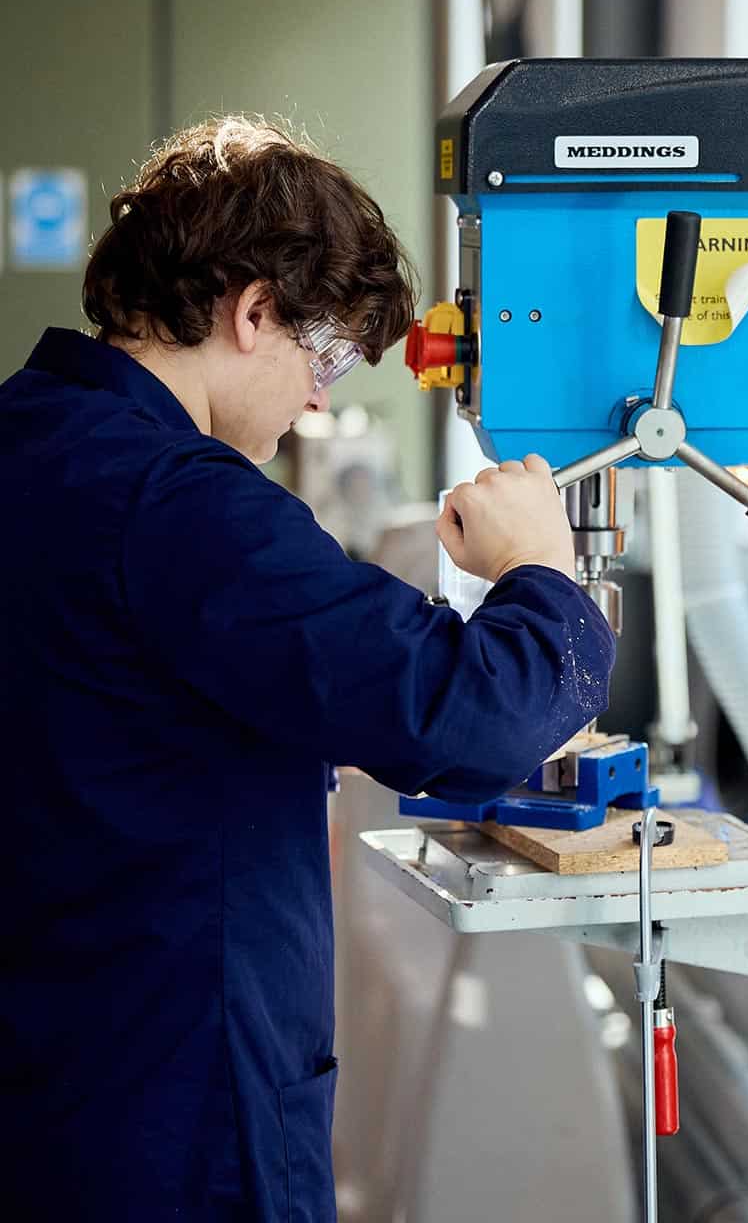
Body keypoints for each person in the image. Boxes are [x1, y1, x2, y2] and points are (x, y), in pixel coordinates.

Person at [0, 117, 615, 1222]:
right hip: (173, 1119)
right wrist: (539, 568)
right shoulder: (182, 505)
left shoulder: (26, 436)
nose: (321, 399)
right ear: (252, 313)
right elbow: (469, 714)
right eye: (323, 357)